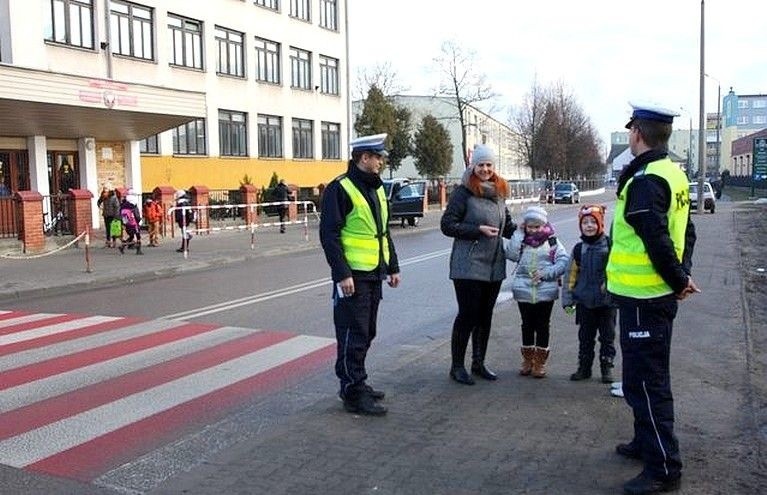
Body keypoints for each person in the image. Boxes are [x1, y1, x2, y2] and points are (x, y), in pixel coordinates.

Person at [607, 103, 698, 495]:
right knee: (638, 379)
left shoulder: (647, 179)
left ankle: (663, 468)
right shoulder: (672, 173)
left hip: (645, 298)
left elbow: (659, 240)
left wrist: (678, 279)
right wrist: (682, 275)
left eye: (630, 130)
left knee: (647, 384)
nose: (629, 135)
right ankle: (646, 444)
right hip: (646, 297)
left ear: (638, 134)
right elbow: (687, 232)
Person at [319, 133, 401, 416]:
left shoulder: (376, 188)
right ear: (363, 158)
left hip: (373, 273)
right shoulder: (340, 189)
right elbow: (329, 236)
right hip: (351, 276)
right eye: (377, 157)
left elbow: (382, 231)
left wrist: (392, 267)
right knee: (352, 333)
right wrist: (342, 274)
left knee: (367, 332)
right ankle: (352, 390)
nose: (381, 162)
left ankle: (358, 382)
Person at [440, 144, 514, 385]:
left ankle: (479, 362)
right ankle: (457, 366)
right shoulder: (463, 192)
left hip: (494, 265)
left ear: (494, 167)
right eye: (480, 165)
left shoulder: (500, 191)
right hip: (468, 265)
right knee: (468, 315)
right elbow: (447, 225)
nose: (485, 169)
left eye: (489, 165)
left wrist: (534, 233)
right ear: (474, 166)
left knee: (485, 316)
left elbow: (508, 226)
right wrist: (476, 230)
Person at [504, 206, 568, 378]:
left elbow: (563, 262)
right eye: (530, 226)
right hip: (524, 289)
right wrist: (517, 234)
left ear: (544, 225)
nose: (533, 230)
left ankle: (539, 363)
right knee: (526, 325)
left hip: (545, 290)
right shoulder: (521, 240)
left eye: (537, 226)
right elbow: (510, 254)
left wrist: (545, 274)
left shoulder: (552, 241)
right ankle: (527, 360)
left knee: (542, 325)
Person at [561, 204, 617, 383]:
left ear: (600, 224)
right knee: (585, 337)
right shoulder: (579, 249)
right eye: (585, 222)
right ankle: (584, 368)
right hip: (584, 302)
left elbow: (617, 271)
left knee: (607, 337)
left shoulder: (609, 246)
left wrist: (613, 290)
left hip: (606, 302)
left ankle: (606, 368)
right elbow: (570, 275)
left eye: (593, 222)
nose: (589, 226)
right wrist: (568, 299)